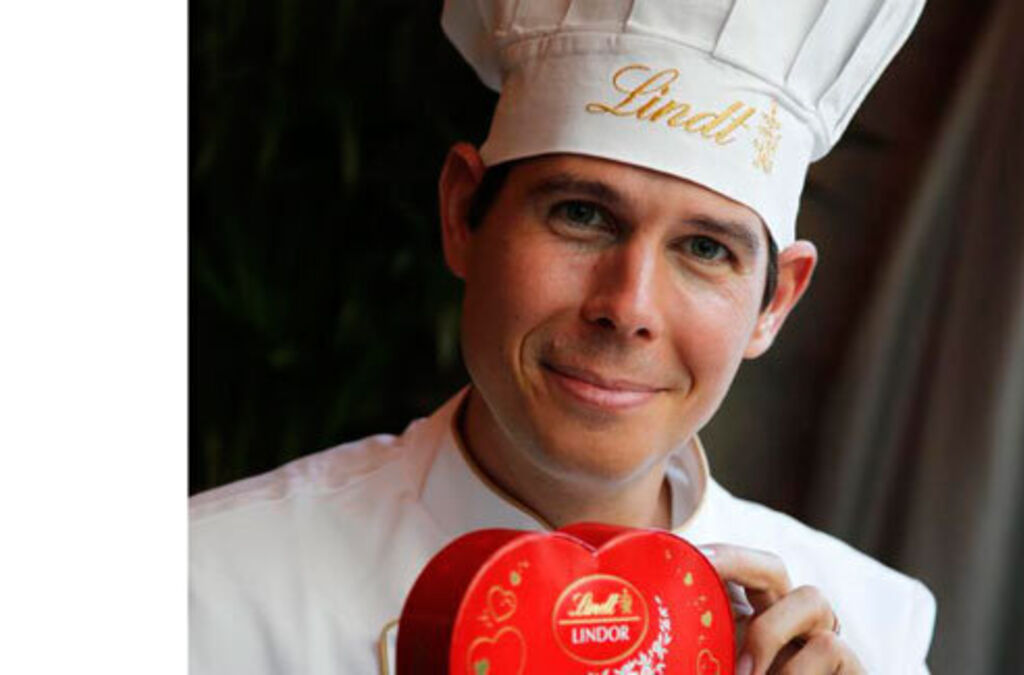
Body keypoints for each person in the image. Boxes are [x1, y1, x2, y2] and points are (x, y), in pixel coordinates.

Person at [190, 1, 935, 673]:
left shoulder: (874, 627)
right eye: (582, 215)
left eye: (706, 249)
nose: (628, 306)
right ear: (462, 214)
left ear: (776, 302)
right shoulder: (204, 592)